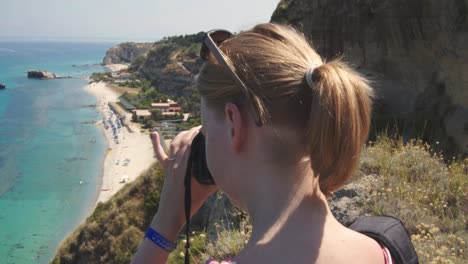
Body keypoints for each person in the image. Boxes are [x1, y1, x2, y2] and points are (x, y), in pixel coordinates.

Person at [131, 23, 391, 263]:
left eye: (207, 130)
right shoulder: (380, 250)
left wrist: (166, 222)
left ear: (234, 124)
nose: (204, 140)